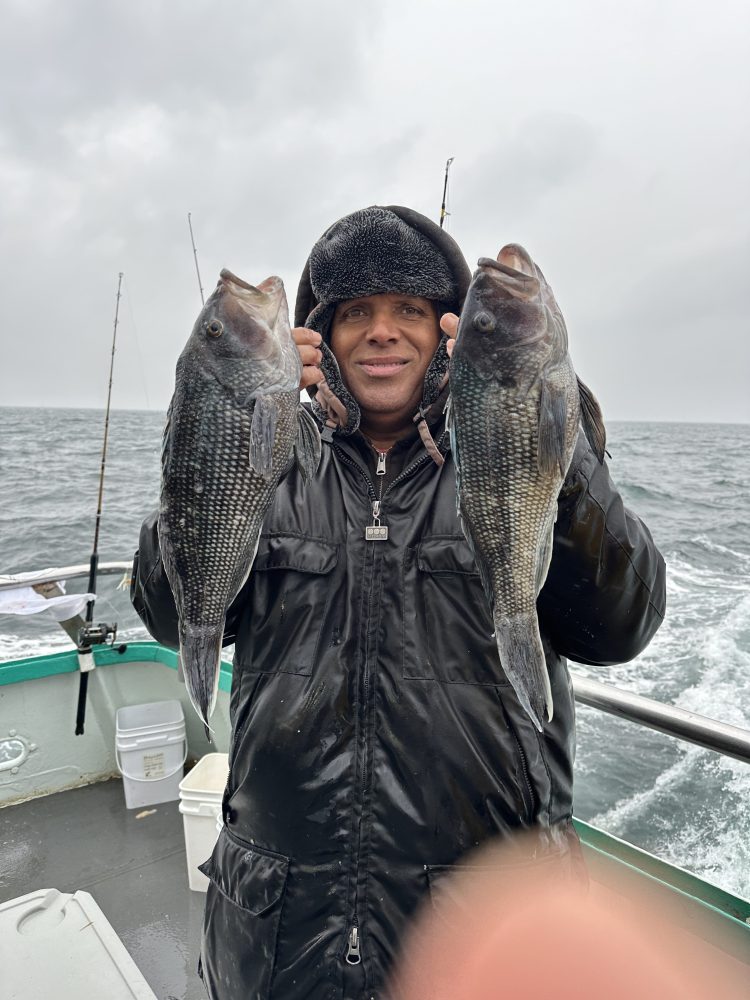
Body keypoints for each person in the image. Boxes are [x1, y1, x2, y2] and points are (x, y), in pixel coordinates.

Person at [130, 205, 666, 1000]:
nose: (383, 332)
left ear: (450, 330)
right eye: (356, 314)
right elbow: (176, 616)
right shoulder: (271, 465)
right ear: (321, 337)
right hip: (280, 933)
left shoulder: (511, 462)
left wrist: (560, 431)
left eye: (409, 310)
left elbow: (621, 626)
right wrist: (219, 441)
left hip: (488, 934)